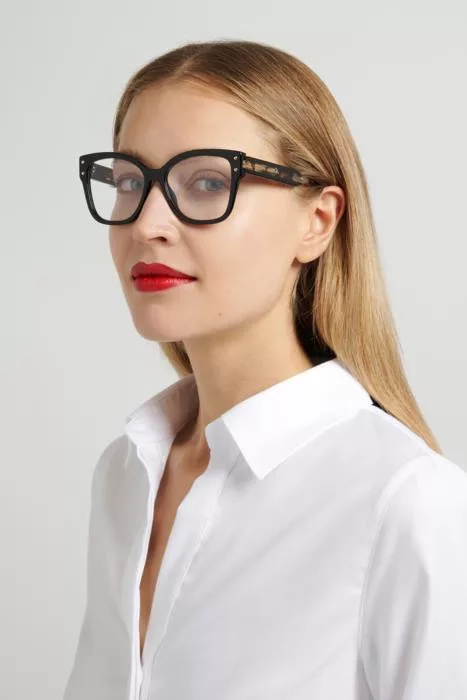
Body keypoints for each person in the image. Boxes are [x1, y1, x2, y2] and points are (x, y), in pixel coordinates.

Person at [64, 39, 467, 700]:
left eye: (206, 182)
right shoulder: (124, 474)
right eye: (131, 182)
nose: (147, 224)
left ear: (317, 220)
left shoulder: (406, 502)